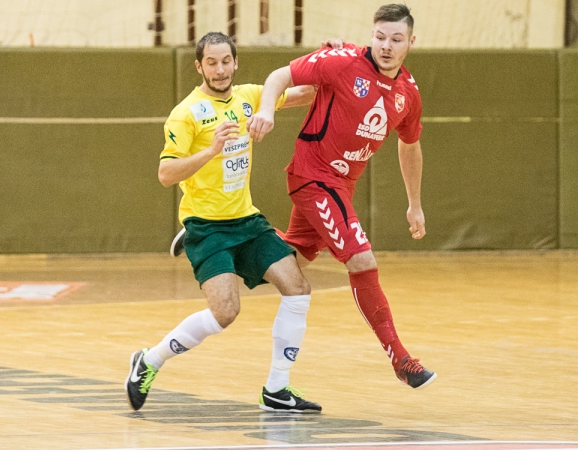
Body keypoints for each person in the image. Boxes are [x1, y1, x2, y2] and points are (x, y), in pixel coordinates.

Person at [126, 31, 331, 413]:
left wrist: (332, 58)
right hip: (207, 226)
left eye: (226, 62)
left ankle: (276, 388)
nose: (220, 70)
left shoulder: (250, 97)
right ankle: (149, 361)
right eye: (212, 63)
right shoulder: (185, 114)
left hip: (247, 221)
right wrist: (211, 149)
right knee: (225, 312)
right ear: (198, 66)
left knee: (298, 287)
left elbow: (306, 93)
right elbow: (166, 174)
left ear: (235, 62)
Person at [245, 3, 437, 389]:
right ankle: (400, 358)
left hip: (340, 186)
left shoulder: (408, 93)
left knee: (289, 262)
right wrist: (266, 109)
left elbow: (410, 146)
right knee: (361, 258)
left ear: (411, 42)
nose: (386, 45)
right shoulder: (342, 60)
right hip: (313, 177)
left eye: (396, 39)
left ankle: (225, 236)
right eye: (380, 36)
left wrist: (414, 204)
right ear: (372, 35)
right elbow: (279, 75)